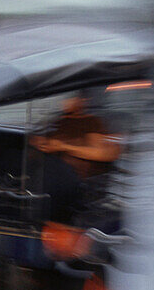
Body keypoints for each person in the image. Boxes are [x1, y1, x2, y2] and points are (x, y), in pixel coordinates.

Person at [27, 91, 123, 223]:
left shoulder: (91, 122)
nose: (62, 103)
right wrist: (41, 144)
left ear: (80, 101)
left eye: (68, 99)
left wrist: (65, 147)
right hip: (55, 180)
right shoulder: (59, 122)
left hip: (80, 184)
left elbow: (103, 153)